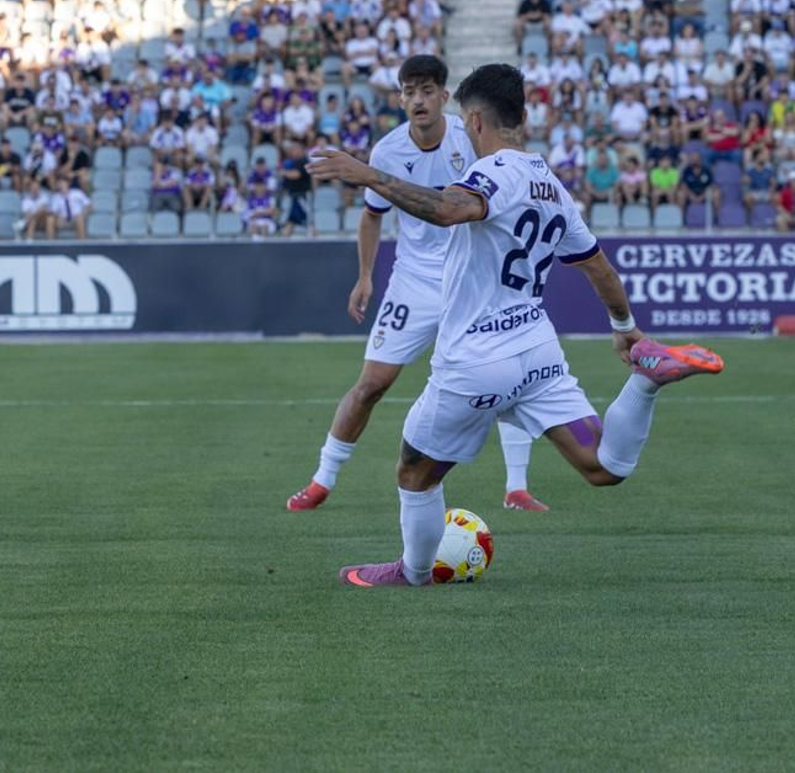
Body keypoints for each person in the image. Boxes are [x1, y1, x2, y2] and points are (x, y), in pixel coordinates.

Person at [307, 63, 724, 588]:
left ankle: (412, 572)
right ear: (523, 117)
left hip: (478, 361)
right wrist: (626, 329)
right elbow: (598, 266)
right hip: (537, 351)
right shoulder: (549, 182)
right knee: (603, 466)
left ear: (475, 120)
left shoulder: (492, 174)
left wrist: (369, 175)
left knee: (414, 470)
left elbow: (446, 210)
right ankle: (644, 380)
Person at [287, 56, 549, 515]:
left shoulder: (469, 138)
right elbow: (372, 216)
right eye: (410, 91)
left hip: (471, 275)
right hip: (413, 280)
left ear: (444, 97)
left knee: (506, 374)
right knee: (372, 383)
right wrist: (366, 275)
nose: (418, 100)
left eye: (428, 90)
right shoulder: (387, 152)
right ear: (401, 98)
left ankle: (517, 487)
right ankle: (321, 480)